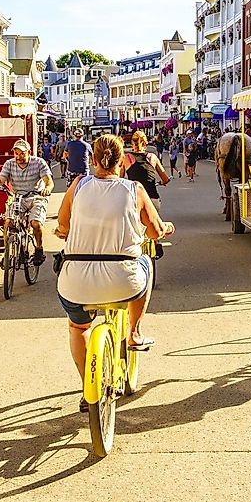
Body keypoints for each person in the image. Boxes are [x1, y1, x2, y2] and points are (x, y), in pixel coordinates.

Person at [54, 134, 174, 412]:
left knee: (78, 327)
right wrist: (165, 228)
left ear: (93, 160)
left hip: (77, 282)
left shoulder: (78, 186)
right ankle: (134, 331)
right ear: (123, 162)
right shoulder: (135, 190)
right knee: (145, 260)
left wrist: (68, 232)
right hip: (124, 281)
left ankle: (88, 388)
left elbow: (63, 225)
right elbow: (155, 232)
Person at [0, 138, 54, 266]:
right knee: (8, 222)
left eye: (22, 153)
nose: (19, 156)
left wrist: (47, 189)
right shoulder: (9, 164)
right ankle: (7, 254)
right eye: (16, 153)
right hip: (18, 198)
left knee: (35, 223)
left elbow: (48, 181)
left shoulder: (39, 162)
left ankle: (39, 249)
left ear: (29, 152)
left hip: (36, 196)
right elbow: (1, 178)